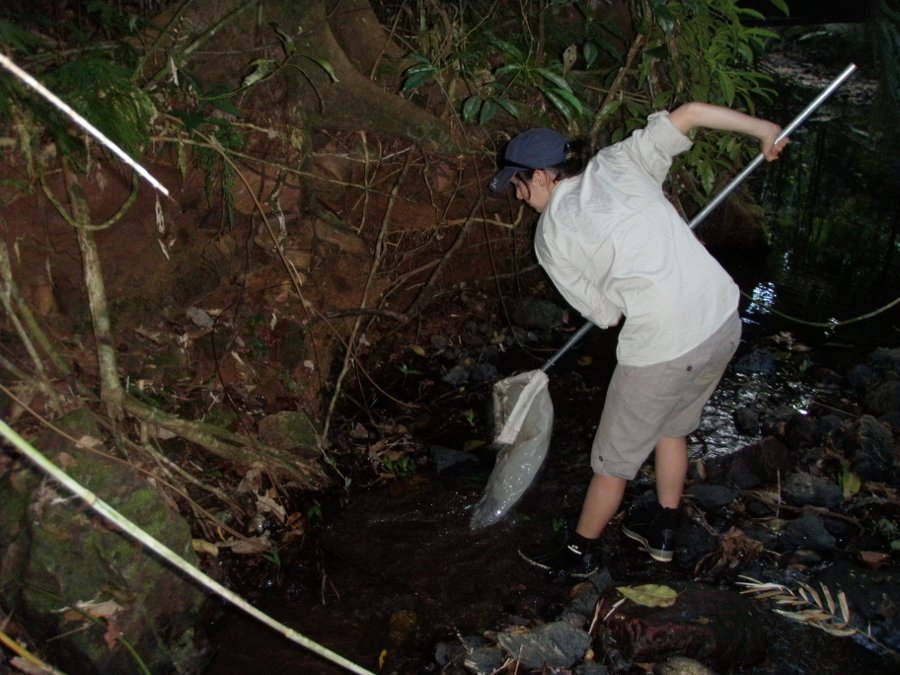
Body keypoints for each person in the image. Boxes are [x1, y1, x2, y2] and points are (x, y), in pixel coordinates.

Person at [489, 102, 788, 577]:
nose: (518, 196)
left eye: (519, 184)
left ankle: (578, 553)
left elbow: (606, 315)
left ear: (542, 176)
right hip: (722, 317)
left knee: (612, 461)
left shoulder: (549, 238)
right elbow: (688, 114)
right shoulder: (618, 161)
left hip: (665, 346)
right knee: (672, 428)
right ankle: (664, 530)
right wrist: (765, 127)